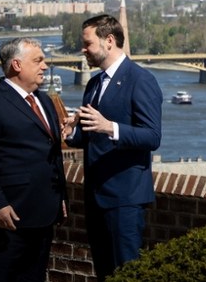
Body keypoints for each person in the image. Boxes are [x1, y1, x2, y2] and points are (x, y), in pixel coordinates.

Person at [65, 14, 163, 281]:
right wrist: (71, 133)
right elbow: (91, 134)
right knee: (104, 274)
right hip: (96, 197)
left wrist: (111, 127)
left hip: (125, 200)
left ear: (109, 41)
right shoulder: (94, 84)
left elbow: (153, 136)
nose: (82, 50)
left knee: (127, 274)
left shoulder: (140, 80)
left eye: (87, 44)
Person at [0, 37, 68, 282]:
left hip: (44, 212)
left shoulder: (44, 100)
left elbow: (53, 153)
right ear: (17, 65)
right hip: (9, 215)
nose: (45, 66)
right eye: (38, 60)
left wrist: (61, 196)